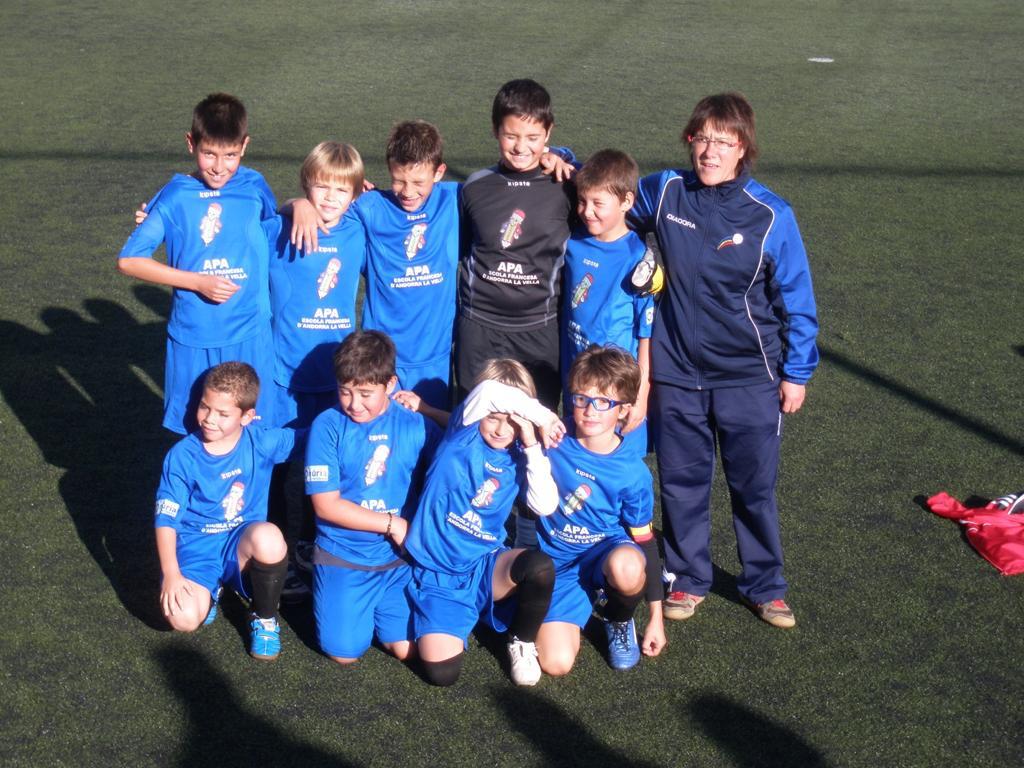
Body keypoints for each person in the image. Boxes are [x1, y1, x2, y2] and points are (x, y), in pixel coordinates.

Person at [629, 92, 819, 629]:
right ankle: (689, 579)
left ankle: (765, 586)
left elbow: (797, 301)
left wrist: (797, 373)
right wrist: (564, 159)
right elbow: (610, 192)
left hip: (748, 377)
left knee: (753, 487)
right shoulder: (666, 191)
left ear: (743, 149)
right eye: (702, 139)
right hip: (675, 372)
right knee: (681, 484)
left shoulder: (770, 215)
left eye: (724, 141)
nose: (710, 152)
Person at [118, 93, 278, 434]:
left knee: (256, 427)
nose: (219, 166)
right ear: (191, 144)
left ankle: (266, 490)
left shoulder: (254, 186)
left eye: (230, 155)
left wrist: (300, 205)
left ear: (244, 146)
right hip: (194, 336)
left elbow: (273, 224)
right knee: (196, 428)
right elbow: (130, 260)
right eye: (209, 154)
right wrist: (197, 282)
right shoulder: (175, 196)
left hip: (250, 333)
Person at [402, 363, 565, 686]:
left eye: (512, 422)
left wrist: (531, 441)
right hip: (438, 573)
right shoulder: (461, 435)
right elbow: (490, 393)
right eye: (495, 417)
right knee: (442, 673)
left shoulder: (521, 452)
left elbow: (545, 506)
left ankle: (521, 640)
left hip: (483, 566)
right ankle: (464, 616)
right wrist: (545, 416)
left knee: (539, 568)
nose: (502, 430)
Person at [290, 121, 460, 410]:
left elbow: (503, 183)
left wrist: (559, 155)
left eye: (419, 182)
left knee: (429, 441)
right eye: (398, 180)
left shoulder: (454, 200)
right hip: (380, 358)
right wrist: (298, 204)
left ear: (439, 172)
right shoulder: (369, 208)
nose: (407, 191)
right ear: (389, 167)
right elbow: (331, 206)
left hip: (435, 356)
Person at [264, 141, 367, 602]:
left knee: (322, 467)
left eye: (339, 190)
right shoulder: (280, 230)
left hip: (335, 381)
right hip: (281, 376)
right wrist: (294, 205)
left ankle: (309, 547)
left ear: (355, 195)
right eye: (319, 188)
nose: (328, 199)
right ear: (306, 184)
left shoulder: (359, 230)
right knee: (277, 464)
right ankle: (272, 555)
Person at [304, 331, 440, 665]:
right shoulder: (328, 426)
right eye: (345, 391)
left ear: (390, 384)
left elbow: (463, 444)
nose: (353, 403)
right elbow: (325, 505)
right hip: (344, 553)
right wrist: (392, 523)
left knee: (410, 649)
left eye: (365, 393)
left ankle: (384, 601)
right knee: (344, 654)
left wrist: (432, 411)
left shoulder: (415, 425)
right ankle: (327, 583)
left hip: (398, 561)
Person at [153, 362, 301, 660]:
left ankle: (264, 618)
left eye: (223, 414)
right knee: (182, 618)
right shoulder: (183, 455)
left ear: (248, 416)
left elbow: (315, 438)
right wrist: (170, 573)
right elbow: (166, 519)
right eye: (205, 407)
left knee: (270, 538)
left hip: (240, 543)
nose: (209, 419)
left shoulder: (262, 441)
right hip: (196, 550)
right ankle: (212, 589)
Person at [534, 345, 665, 674]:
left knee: (628, 566)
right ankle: (577, 602)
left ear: (624, 410)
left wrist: (656, 618)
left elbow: (645, 542)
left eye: (604, 402)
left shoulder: (632, 473)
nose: (590, 411)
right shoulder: (552, 436)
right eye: (582, 398)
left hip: (603, 554)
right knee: (556, 664)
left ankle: (619, 618)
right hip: (556, 563)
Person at [457, 79, 576, 410]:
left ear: (548, 134)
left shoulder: (566, 186)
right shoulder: (474, 188)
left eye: (533, 138)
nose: (521, 146)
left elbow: (611, 189)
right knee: (474, 423)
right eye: (511, 135)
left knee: (538, 426)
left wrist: (567, 159)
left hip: (539, 330)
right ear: (496, 131)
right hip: (479, 328)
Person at [560, 149, 654, 437]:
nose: (587, 211)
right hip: (575, 378)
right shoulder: (573, 241)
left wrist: (641, 393)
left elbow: (645, 334)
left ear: (627, 201)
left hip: (617, 386)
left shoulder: (638, 258)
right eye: (582, 201)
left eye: (598, 203)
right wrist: (557, 155)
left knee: (614, 462)